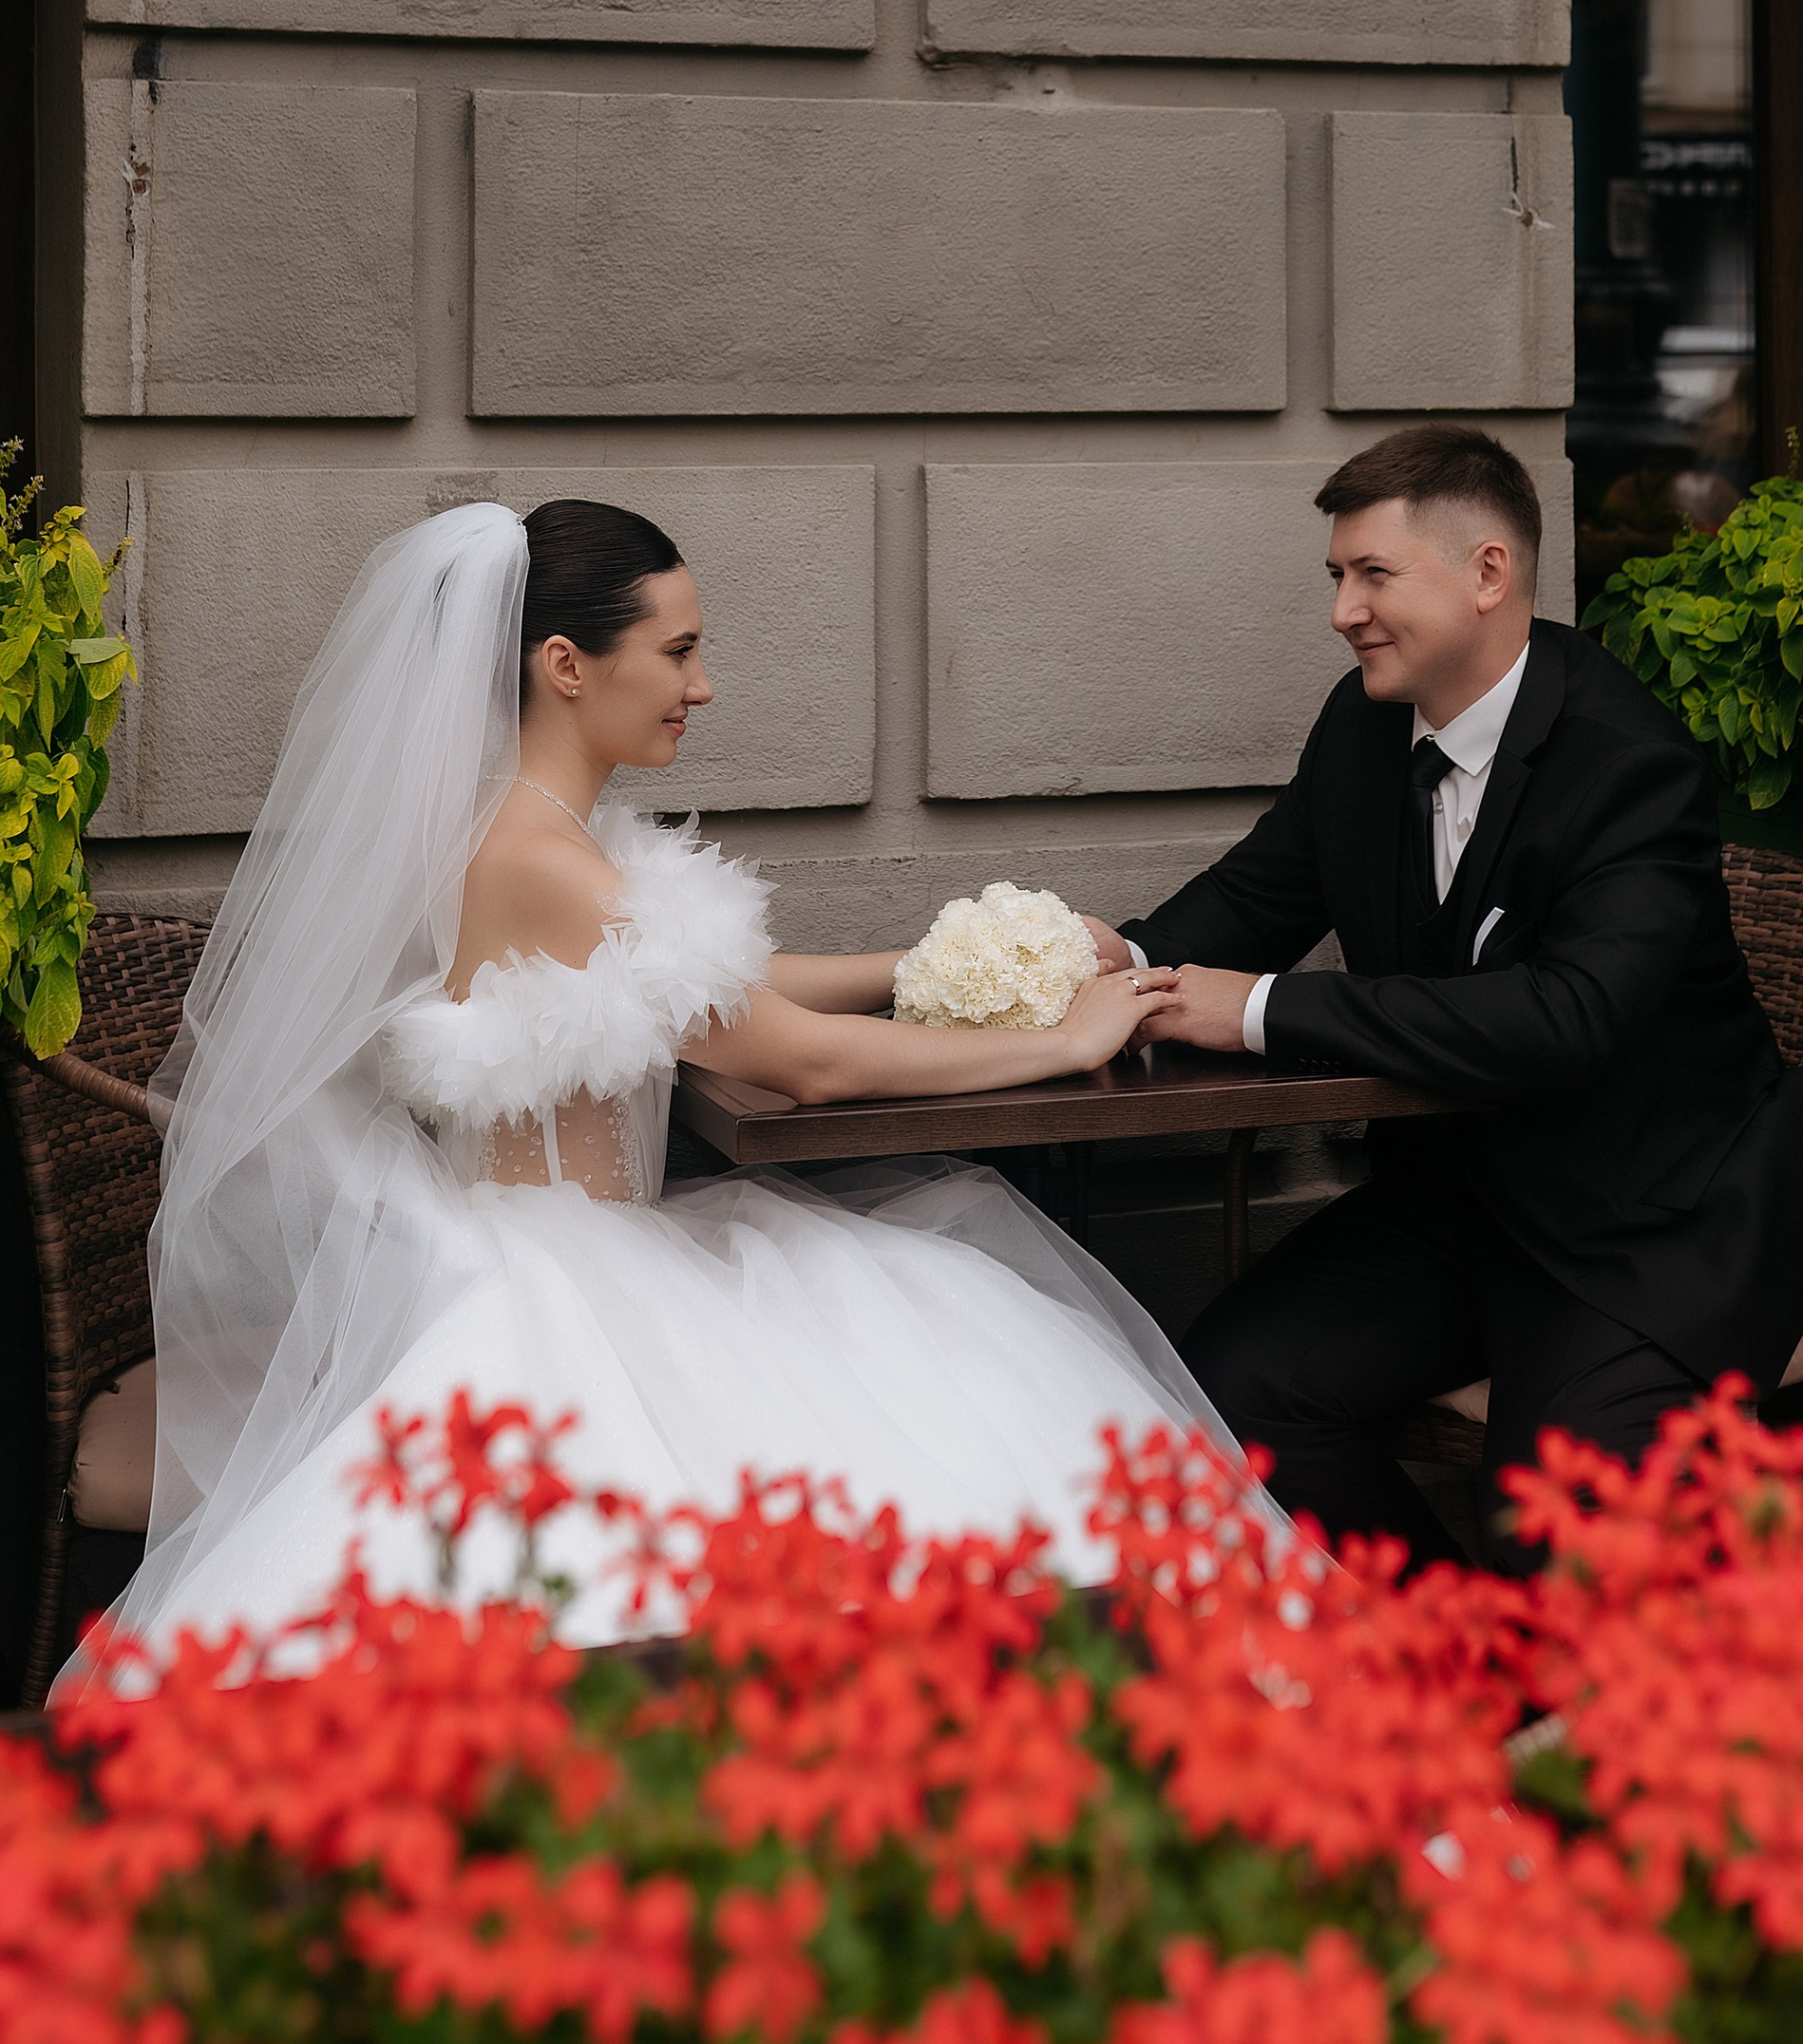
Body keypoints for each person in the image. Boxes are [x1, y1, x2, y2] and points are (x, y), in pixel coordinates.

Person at [97, 497, 1236, 1675]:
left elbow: (729, 985)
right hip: (565, 1278)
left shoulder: (539, 831)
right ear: (566, 665)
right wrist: (1062, 1045)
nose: (703, 686)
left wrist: (946, 959)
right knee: (935, 1373)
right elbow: (802, 1059)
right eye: (679, 651)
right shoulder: (546, 863)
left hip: (586, 1243)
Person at [1098, 423, 1803, 1572]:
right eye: (1336, 576)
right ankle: (1441, 1664)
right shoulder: (1363, 723)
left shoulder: (1628, 760)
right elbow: (1258, 893)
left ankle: (1533, 1681)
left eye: (1371, 574)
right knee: (1235, 1391)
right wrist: (1117, 959)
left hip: (1648, 1218)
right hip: (1465, 1196)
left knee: (1555, 1516)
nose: (1342, 610)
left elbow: (1568, 1018)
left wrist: (1253, 1012)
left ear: (1488, 573)